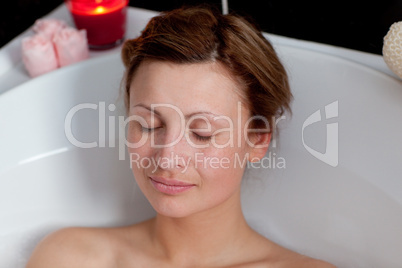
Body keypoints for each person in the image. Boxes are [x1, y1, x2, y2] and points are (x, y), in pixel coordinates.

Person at [26, 5, 335, 268]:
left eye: (202, 133)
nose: (167, 157)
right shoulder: (71, 258)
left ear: (257, 141)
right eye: (148, 124)